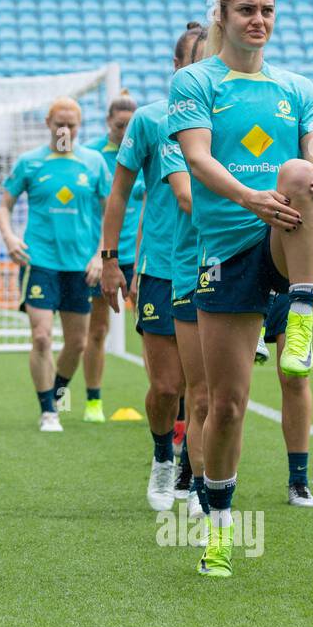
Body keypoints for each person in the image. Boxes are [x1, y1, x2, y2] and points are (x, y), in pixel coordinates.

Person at [165, 0, 313, 578]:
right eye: (246, 10)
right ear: (223, 15)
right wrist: (250, 198)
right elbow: (197, 157)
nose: (258, 20)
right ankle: (219, 524)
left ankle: (302, 310)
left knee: (299, 172)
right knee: (227, 405)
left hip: (282, 239)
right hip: (226, 249)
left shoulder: (297, 87)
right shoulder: (195, 81)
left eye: (267, 10)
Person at [102, 31, 208, 511]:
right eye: (196, 60)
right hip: (162, 268)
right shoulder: (148, 121)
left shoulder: (226, 115)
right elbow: (120, 194)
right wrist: (110, 261)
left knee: (205, 391)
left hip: (215, 266)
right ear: (176, 64)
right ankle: (163, 460)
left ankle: (195, 473)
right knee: (168, 387)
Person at [0, 98, 110, 432]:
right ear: (48, 123)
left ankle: (57, 393)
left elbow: (110, 214)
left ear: (80, 126)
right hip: (40, 261)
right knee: (42, 337)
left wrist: (100, 256)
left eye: (71, 125)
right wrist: (10, 237)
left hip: (80, 265)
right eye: (59, 123)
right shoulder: (30, 162)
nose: (65, 130)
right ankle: (48, 410)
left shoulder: (93, 163)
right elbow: (4, 206)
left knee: (77, 343)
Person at [157, 23, 211, 525]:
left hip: (238, 262)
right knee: (193, 391)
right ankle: (191, 477)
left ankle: (211, 483)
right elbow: (186, 197)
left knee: (225, 398)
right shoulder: (178, 128)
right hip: (189, 270)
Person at [261, 189, 313, 506]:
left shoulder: (301, 137)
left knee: (295, 376)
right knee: (224, 388)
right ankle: (199, 475)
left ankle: (299, 480)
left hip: (287, 255)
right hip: (238, 248)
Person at [80, 94, 137, 423]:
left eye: (131, 126)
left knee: (152, 331)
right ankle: (92, 402)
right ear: (107, 123)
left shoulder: (145, 149)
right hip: (102, 255)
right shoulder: (90, 155)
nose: (125, 131)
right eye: (120, 126)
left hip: (142, 255)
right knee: (97, 330)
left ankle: (167, 404)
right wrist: (98, 255)